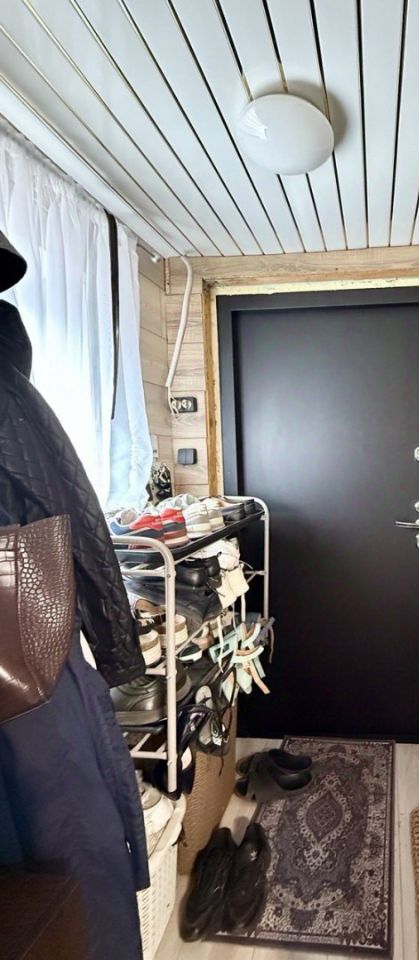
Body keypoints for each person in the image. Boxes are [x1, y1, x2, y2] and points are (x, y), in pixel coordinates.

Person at [0, 229, 148, 960]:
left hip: (21, 654)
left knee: (60, 855)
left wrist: (119, 649)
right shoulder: (10, 393)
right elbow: (76, 518)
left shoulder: (6, 397)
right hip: (28, 663)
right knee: (68, 851)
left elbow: (74, 518)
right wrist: (120, 652)